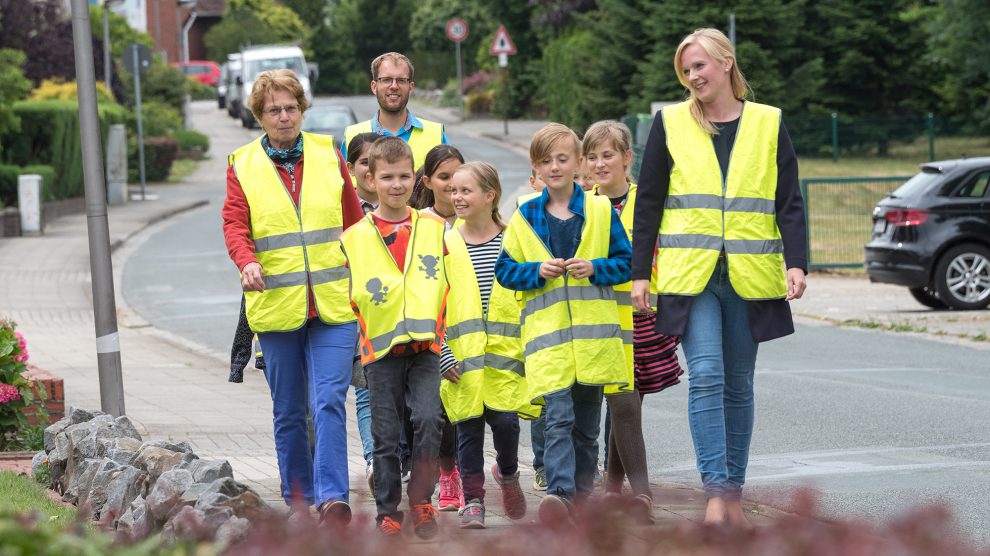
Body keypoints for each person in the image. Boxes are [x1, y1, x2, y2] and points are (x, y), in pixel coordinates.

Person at [630, 28, 808, 528]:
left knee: (738, 385)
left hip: (749, 274)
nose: (693, 76)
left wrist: (796, 262)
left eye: (700, 66)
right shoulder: (669, 123)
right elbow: (649, 204)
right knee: (706, 375)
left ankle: (732, 494)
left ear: (726, 63)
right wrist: (640, 273)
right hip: (692, 274)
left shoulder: (768, 123)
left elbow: (788, 199)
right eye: (685, 70)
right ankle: (715, 493)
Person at [221, 69, 365, 525]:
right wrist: (246, 261)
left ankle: (333, 499)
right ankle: (299, 501)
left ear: (303, 109)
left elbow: (354, 222)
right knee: (289, 410)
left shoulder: (328, 153)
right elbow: (234, 224)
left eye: (290, 108)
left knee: (327, 401)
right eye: (273, 110)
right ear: (259, 117)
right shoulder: (241, 164)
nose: (283, 117)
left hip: (334, 303)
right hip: (276, 304)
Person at [495, 123, 632, 525]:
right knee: (557, 420)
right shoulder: (524, 215)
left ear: (578, 164)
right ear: (535, 167)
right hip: (549, 345)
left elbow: (626, 264)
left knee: (587, 428)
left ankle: (583, 499)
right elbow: (506, 271)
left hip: (594, 345)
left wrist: (596, 267)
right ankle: (559, 494)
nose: (555, 167)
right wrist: (538, 271)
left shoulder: (602, 211)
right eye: (545, 160)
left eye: (562, 159)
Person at [340, 136, 447, 538]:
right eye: (387, 177)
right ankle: (388, 510)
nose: (397, 185)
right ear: (370, 178)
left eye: (404, 176)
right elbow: (346, 293)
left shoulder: (433, 229)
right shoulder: (355, 237)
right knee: (385, 435)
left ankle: (421, 500)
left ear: (416, 177)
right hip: (380, 350)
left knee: (428, 419)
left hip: (425, 347)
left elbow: (451, 283)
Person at [584, 119, 684, 524]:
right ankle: (641, 495)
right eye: (591, 156)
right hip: (603, 317)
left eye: (608, 154)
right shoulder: (582, 204)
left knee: (630, 402)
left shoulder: (649, 200)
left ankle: (610, 488)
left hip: (645, 315)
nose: (599, 163)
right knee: (623, 400)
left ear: (627, 158)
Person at [441, 162, 541, 529]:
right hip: (461, 360)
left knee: (506, 425)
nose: (457, 197)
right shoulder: (446, 243)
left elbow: (531, 296)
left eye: (465, 191)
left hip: (506, 358)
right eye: (453, 191)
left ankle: (510, 474)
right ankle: (474, 501)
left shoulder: (513, 241)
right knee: (467, 431)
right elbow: (433, 301)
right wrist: (442, 351)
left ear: (489, 195)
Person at [407, 144, 465, 511]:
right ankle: (448, 475)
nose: (452, 186)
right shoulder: (419, 225)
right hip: (433, 334)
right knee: (437, 413)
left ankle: (471, 473)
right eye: (444, 178)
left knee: (473, 413)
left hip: (473, 331)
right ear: (428, 181)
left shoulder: (480, 219)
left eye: (459, 177)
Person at [344, 131, 383, 493]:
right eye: (364, 163)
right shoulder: (342, 210)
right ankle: (375, 461)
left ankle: (393, 459)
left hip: (393, 315)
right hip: (350, 314)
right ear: (351, 168)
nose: (371, 170)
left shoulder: (404, 208)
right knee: (366, 391)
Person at [343, 52, 448, 170]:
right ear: (374, 86)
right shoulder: (351, 136)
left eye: (401, 80)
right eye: (387, 80)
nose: (394, 86)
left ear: (411, 87)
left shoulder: (435, 135)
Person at [410, 145, 464, 228]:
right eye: (444, 177)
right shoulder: (415, 222)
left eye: (457, 176)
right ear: (428, 182)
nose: (452, 183)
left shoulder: (475, 219)